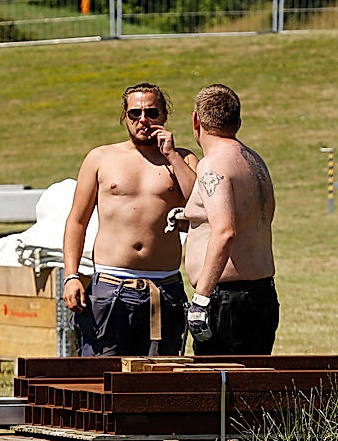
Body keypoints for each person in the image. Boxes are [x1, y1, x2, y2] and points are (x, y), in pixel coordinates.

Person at [63, 83, 198, 356]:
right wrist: (71, 276)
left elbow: (200, 203)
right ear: (124, 116)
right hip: (110, 287)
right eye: (134, 113)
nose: (143, 120)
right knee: (101, 378)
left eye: (151, 112)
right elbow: (77, 220)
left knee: (160, 382)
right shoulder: (100, 158)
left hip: (164, 288)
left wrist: (171, 154)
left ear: (165, 115)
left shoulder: (183, 158)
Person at [183, 83, 278, 355]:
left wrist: (201, 300)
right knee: (251, 388)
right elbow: (252, 218)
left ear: (196, 120)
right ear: (238, 121)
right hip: (260, 295)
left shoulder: (213, 164)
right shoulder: (254, 161)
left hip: (227, 302)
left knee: (220, 390)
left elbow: (225, 232)